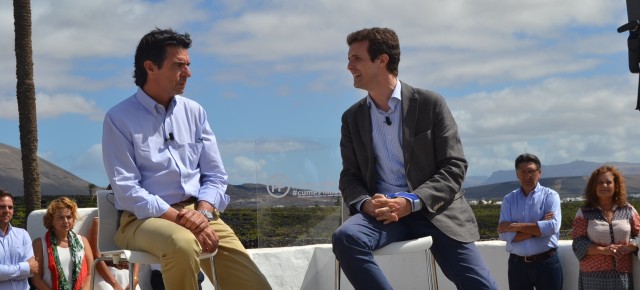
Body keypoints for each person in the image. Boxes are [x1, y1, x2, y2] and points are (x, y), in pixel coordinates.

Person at [102, 28, 271, 290]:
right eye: (178, 65)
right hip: (141, 221)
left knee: (254, 285)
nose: (188, 73)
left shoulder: (195, 112)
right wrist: (182, 219)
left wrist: (202, 213)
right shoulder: (119, 118)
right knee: (182, 242)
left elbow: (215, 176)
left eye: (188, 65)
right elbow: (127, 190)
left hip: (199, 214)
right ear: (151, 67)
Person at [332, 27, 497, 290]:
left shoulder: (430, 104)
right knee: (346, 237)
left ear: (382, 60)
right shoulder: (352, 118)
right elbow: (349, 176)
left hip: (435, 211)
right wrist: (366, 204)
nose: (349, 66)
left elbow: (454, 167)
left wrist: (412, 201)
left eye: (356, 58)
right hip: (384, 216)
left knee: (481, 286)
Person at [497, 153, 563, 289]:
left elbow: (552, 227)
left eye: (531, 172)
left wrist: (515, 226)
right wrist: (538, 228)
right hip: (517, 266)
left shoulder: (551, 196)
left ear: (539, 173)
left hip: (546, 263)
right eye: (522, 172)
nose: (526, 176)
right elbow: (504, 235)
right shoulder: (508, 200)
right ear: (517, 174)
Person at [572, 165, 640, 289]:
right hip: (592, 277)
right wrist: (604, 250)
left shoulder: (628, 210)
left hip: (622, 275)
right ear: (594, 187)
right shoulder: (584, 212)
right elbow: (578, 244)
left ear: (616, 186)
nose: (604, 186)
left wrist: (630, 247)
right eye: (600, 183)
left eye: (608, 182)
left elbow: (639, 236)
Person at [32, 197, 93, 290]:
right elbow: (36, 279)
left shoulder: (83, 241)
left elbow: (90, 273)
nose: (65, 221)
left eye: (69, 217)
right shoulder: (40, 244)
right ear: (51, 220)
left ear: (73, 220)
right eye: (60, 217)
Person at [0, 190, 38, 290]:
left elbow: (32, 270)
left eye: (10, 207)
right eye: (2, 207)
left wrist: (5, 273)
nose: (7, 210)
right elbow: (28, 268)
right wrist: (25, 268)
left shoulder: (22, 234)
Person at [88, 217, 140, 290]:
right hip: (106, 275)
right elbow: (96, 255)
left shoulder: (132, 221)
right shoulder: (98, 221)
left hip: (128, 275)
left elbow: (136, 254)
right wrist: (114, 284)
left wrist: (134, 280)